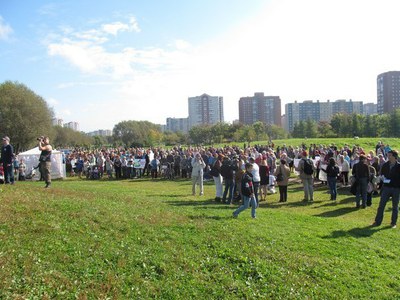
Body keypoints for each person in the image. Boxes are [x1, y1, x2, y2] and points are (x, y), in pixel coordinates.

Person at [372, 150, 400, 229]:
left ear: (395, 156)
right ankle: (377, 221)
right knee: (381, 205)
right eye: (388, 155)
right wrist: (379, 182)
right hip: (386, 187)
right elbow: (382, 175)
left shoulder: (399, 166)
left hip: (396, 188)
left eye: (390, 155)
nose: (388, 156)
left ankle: (393, 223)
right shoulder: (385, 165)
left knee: (395, 207)